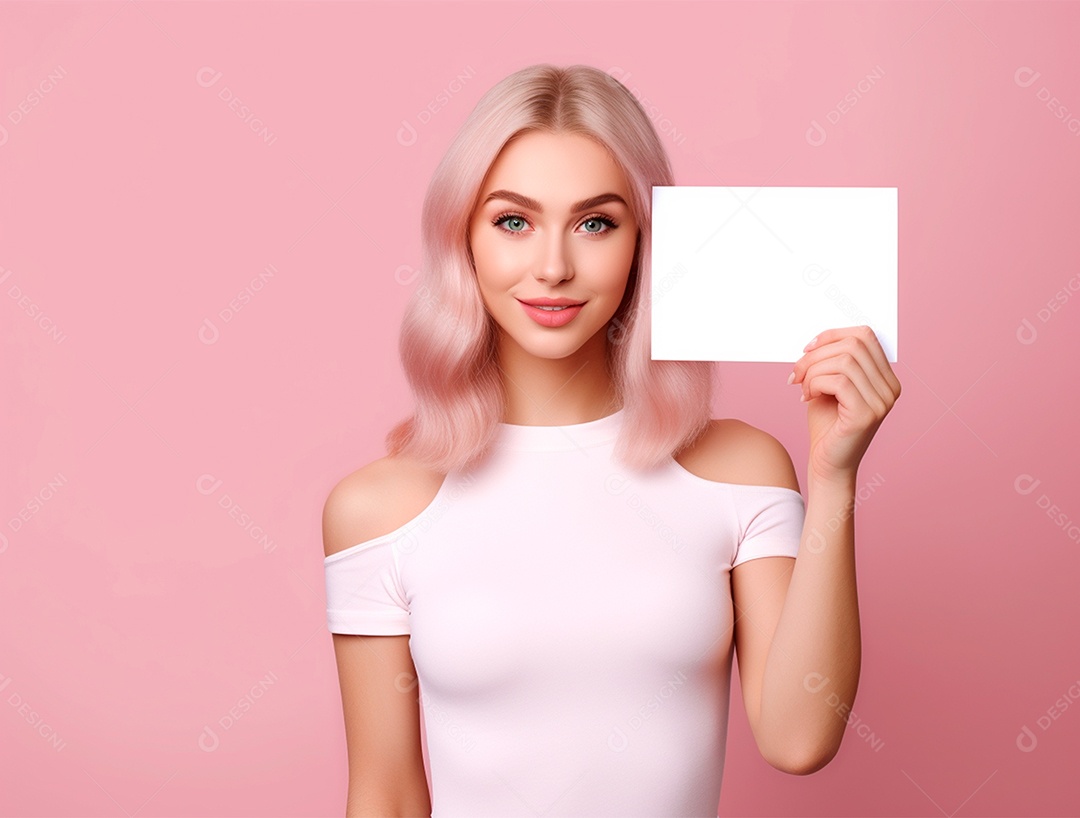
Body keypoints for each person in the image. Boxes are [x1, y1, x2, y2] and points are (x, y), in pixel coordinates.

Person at [322, 63, 901, 817]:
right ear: (461, 237)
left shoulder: (740, 470)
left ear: (642, 243)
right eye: (513, 221)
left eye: (596, 222)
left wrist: (835, 477)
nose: (554, 267)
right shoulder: (377, 508)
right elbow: (386, 796)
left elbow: (798, 739)